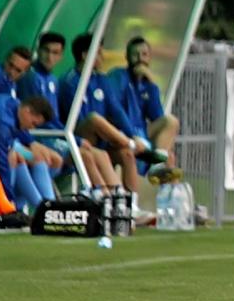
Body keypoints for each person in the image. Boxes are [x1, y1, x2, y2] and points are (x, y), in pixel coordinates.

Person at [58, 33, 157, 209]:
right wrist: (128, 140)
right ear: (85, 55)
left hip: (102, 141)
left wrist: (131, 134)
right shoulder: (70, 82)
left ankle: (131, 206)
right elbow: (80, 119)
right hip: (80, 139)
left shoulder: (101, 79)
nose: (102, 57)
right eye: (98, 52)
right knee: (94, 118)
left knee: (127, 154)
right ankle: (132, 143)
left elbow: (116, 110)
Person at [17, 32, 122, 193]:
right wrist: (77, 140)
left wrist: (76, 139)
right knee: (84, 155)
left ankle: (117, 197)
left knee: (101, 154)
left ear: (61, 56)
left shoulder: (52, 79)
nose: (50, 57)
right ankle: (103, 198)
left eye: (55, 53)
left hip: (54, 136)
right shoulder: (32, 78)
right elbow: (41, 120)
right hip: (39, 137)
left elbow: (53, 118)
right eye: (46, 51)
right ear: (38, 50)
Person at [0, 45, 61, 211]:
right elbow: (4, 128)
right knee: (15, 156)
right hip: (2, 139)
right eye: (10, 65)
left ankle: (42, 206)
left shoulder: (13, 88)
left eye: (18, 70)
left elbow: (16, 118)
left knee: (48, 158)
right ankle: (35, 207)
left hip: (8, 138)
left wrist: (31, 142)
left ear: (24, 72)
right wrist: (29, 142)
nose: (11, 71)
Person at [107, 36, 181, 183]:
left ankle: (158, 170)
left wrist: (152, 83)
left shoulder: (147, 84)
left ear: (149, 57)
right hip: (123, 135)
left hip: (142, 134)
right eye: (135, 55)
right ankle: (161, 179)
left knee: (171, 122)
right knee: (168, 158)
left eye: (144, 54)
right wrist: (132, 135)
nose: (140, 59)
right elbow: (115, 112)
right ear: (127, 57)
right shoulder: (118, 76)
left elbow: (158, 117)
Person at [0, 94, 54, 229]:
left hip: (7, 143)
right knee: (13, 157)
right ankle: (14, 208)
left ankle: (47, 207)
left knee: (38, 157)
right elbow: (1, 161)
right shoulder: (3, 120)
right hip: (1, 146)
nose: (32, 128)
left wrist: (32, 143)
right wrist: (8, 197)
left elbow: (17, 133)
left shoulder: (16, 106)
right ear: (27, 111)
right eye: (33, 124)